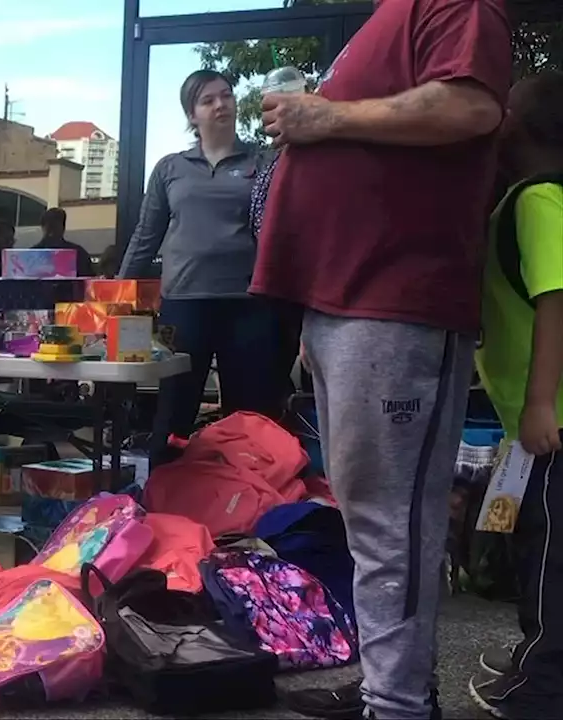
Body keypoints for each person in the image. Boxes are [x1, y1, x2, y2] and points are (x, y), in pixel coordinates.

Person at [252, 0, 512, 718]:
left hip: (395, 300)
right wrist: (318, 308)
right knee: (372, 518)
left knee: (391, 522)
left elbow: (469, 108)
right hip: (349, 302)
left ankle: (395, 704)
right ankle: (391, 686)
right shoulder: (388, 18)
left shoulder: (456, 4)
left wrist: (327, 117)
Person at [119, 70, 290, 452]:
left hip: (249, 304)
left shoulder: (262, 162)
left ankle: (247, 503)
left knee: (249, 419)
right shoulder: (170, 168)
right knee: (174, 411)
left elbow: (279, 233)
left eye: (226, 96)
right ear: (191, 114)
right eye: (208, 100)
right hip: (184, 303)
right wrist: (115, 293)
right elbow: (146, 236)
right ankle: (165, 494)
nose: (220, 105)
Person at [466, 70, 563, 720]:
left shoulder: (540, 200)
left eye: (506, 107)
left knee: (553, 554)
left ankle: (546, 686)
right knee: (531, 541)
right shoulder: (519, 199)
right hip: (529, 421)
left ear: (522, 128)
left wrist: (537, 404)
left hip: (552, 420)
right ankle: (537, 653)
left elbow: (555, 300)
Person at [34, 207, 93, 278]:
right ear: (63, 227)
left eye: (54, 226)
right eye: (51, 227)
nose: (52, 232)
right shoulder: (79, 253)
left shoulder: (31, 255)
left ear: (43, 227)